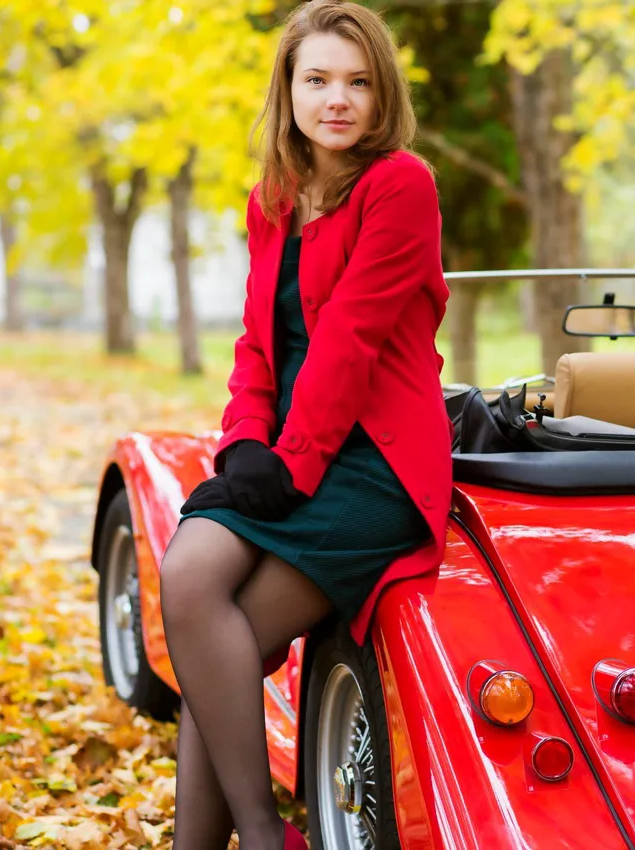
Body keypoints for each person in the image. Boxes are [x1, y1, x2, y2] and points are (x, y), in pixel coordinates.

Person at [157, 1, 452, 847]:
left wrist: (292, 465)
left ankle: (253, 834)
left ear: (382, 93)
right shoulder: (274, 198)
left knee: (225, 645)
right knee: (190, 578)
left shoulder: (402, 185)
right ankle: (252, 835)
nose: (337, 99)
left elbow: (350, 340)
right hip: (288, 452)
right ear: (287, 88)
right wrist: (247, 444)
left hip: (374, 467)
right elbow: (260, 343)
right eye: (317, 78)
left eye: (358, 82)